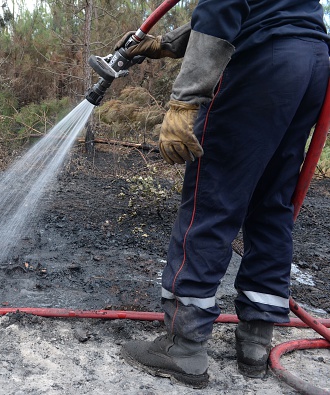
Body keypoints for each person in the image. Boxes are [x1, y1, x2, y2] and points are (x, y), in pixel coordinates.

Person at [113, 0, 329, 389]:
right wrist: (165, 43)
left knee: (211, 196)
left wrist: (185, 98)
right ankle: (256, 343)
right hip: (311, 61)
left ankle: (183, 346)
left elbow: (224, 5)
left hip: (262, 62)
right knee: (271, 202)